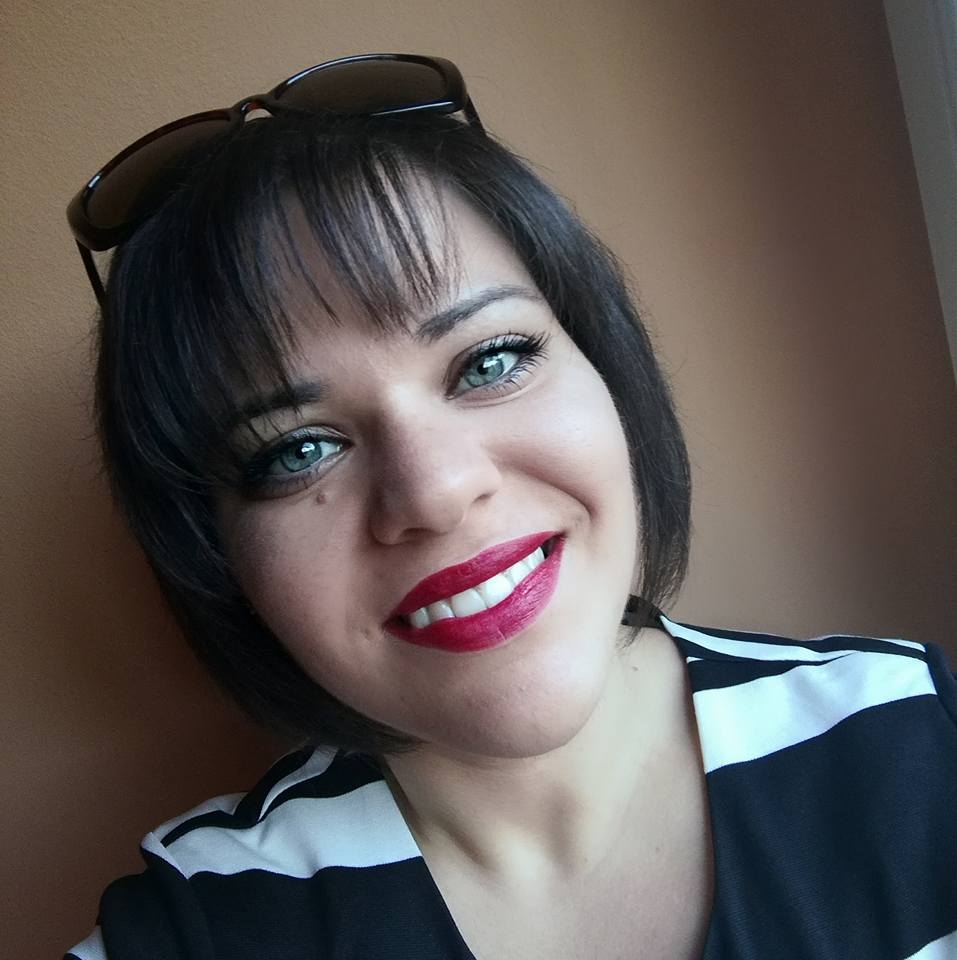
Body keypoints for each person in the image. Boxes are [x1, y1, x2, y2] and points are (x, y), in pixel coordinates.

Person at [64, 54, 957, 960]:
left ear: (604, 366)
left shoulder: (917, 736)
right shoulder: (203, 926)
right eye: (297, 449)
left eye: (489, 362)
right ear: (214, 551)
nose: (436, 492)